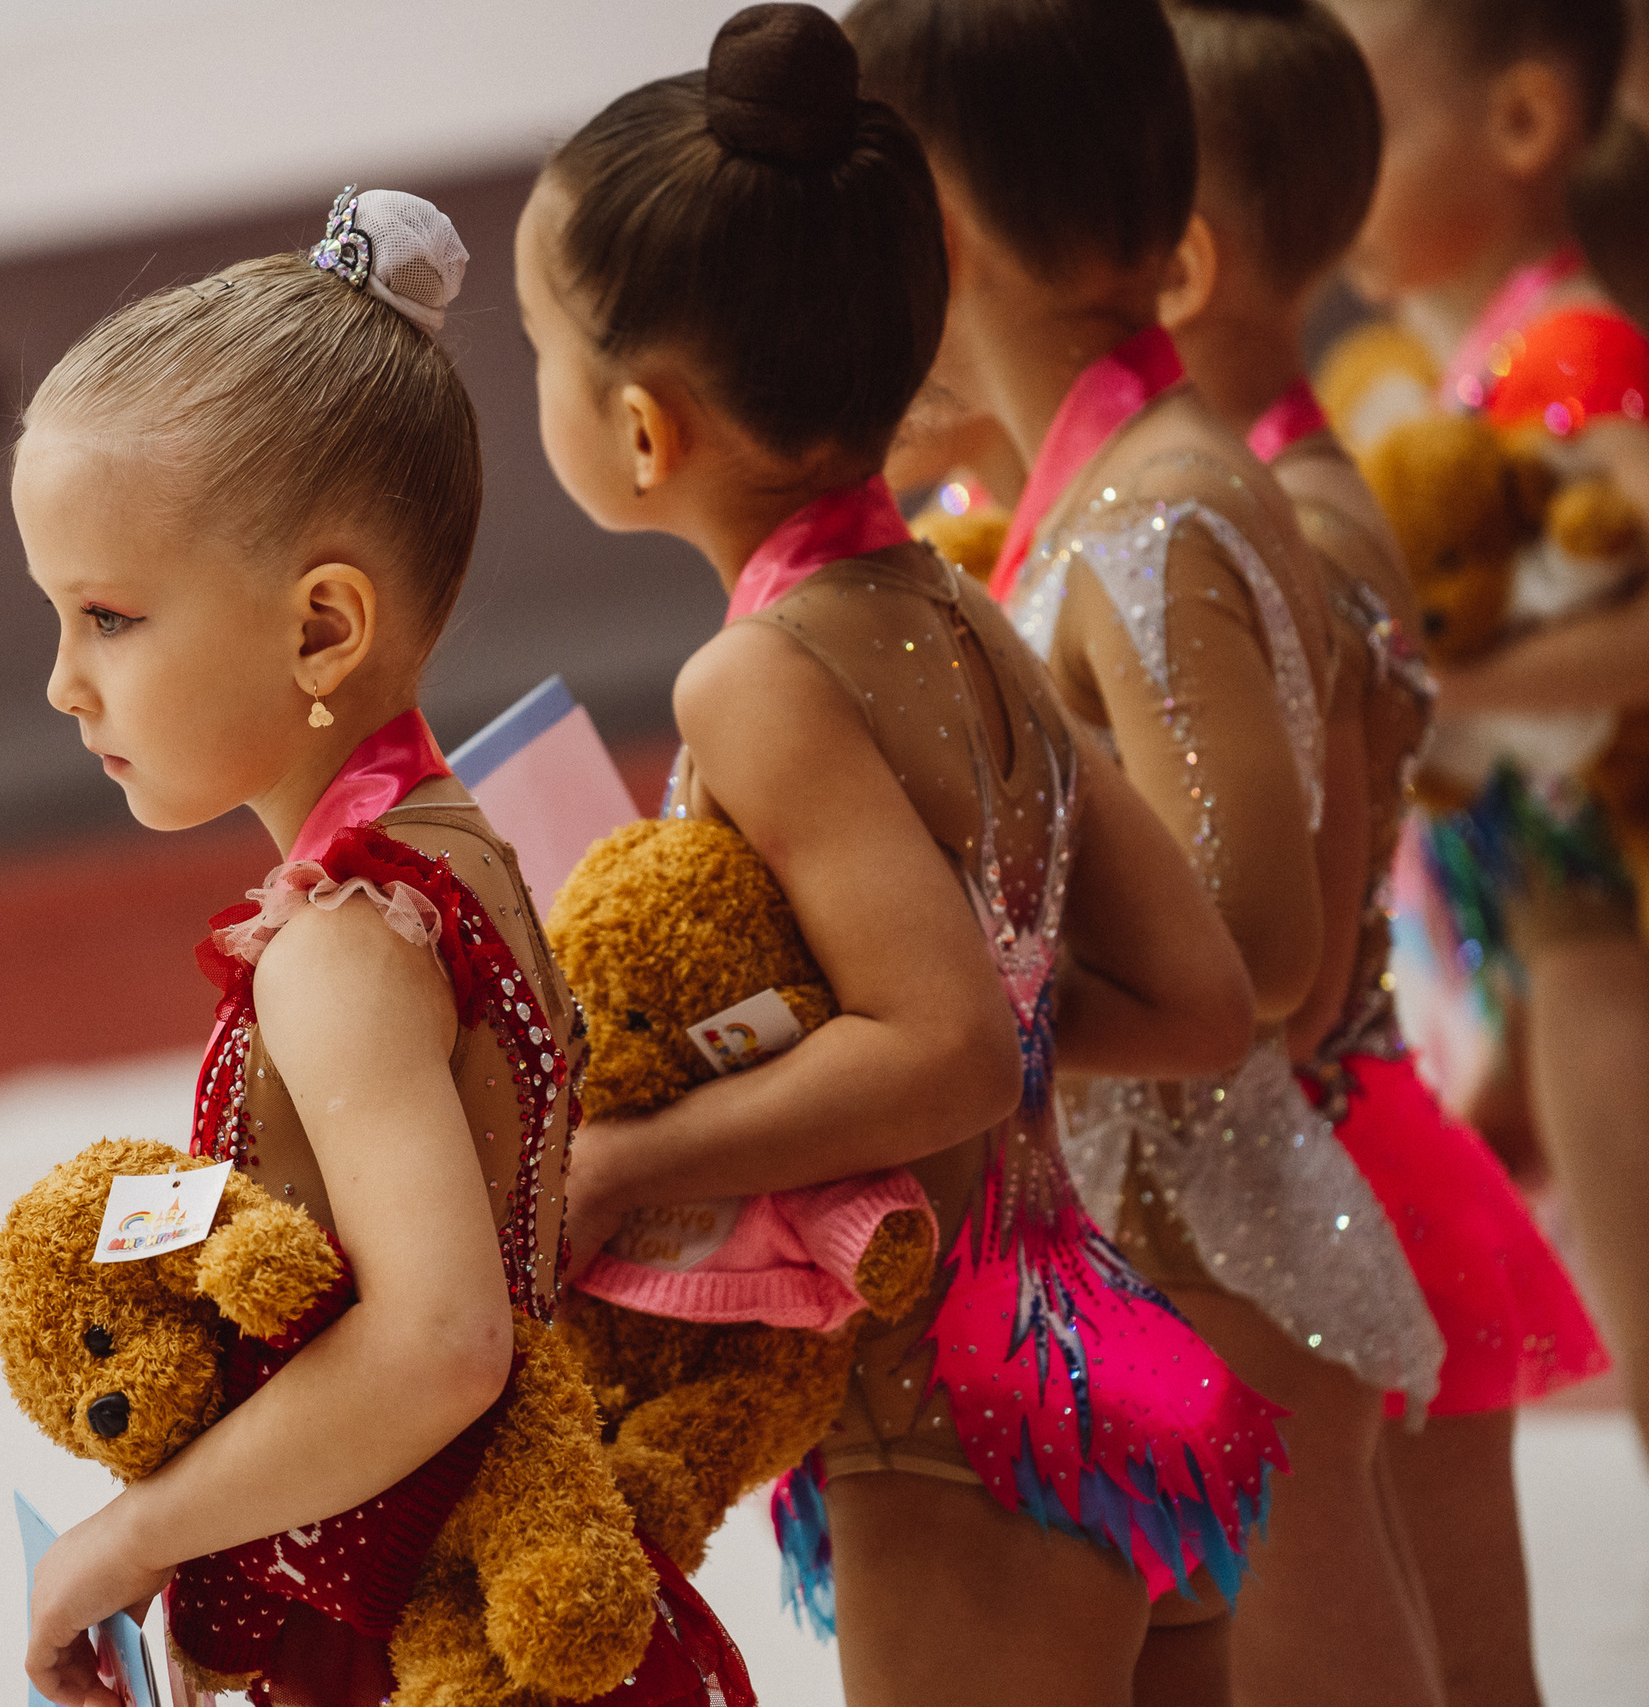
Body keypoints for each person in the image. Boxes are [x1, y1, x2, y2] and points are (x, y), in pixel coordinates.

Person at [519, 11, 1279, 1704]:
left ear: (642, 430)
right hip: (1102, 1375)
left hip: (949, 1412)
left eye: (539, 353)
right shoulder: (965, 609)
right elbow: (1198, 997)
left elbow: (933, 1052)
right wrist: (978, 1000)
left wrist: (632, 1164)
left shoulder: (763, 669)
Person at [12, 190, 750, 1707]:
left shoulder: (344, 944)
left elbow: (440, 1347)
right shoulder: (452, 843)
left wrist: (136, 1534)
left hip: (433, 1642)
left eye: (109, 618)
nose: (64, 685)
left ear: (321, 629)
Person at [846, 1, 1456, 1702]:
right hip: (1176, 1250)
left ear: (938, 230)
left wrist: (948, 1018)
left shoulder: (1159, 513)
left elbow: (1265, 953)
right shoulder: (1114, 484)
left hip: (1230, 1263)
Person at [1159, 6, 1614, 1702]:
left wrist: (1455, 684)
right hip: (1482, 970)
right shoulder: (1342, 433)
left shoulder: (1294, 489)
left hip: (1568, 932)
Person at [1334, 0, 1649, 1450]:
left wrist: (1439, 686)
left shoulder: (1574, 350)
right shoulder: (1471, 360)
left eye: (1364, 132)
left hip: (1601, 929)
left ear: (1523, 126)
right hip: (1533, 925)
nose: (1326, 175)